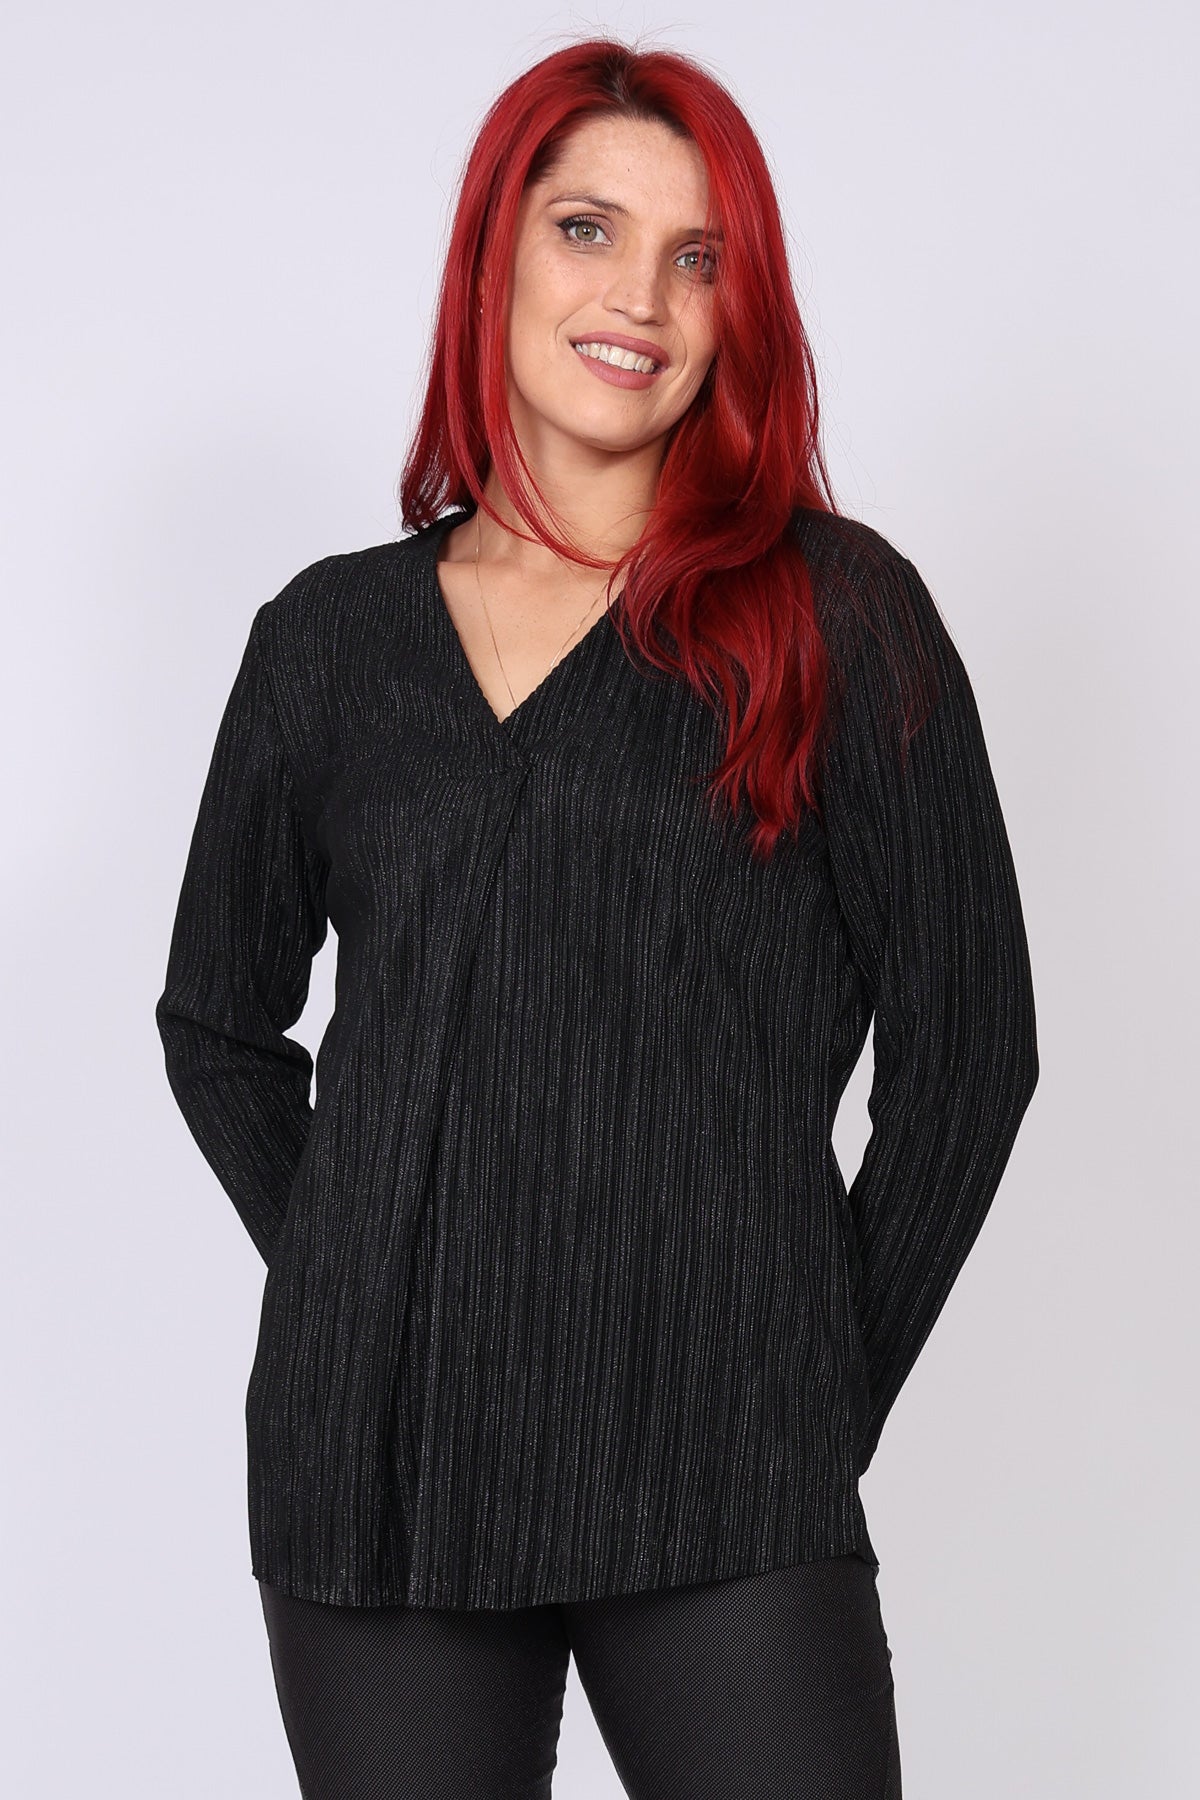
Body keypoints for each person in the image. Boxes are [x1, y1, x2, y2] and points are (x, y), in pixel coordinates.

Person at [154, 35, 1039, 1800]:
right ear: (495, 252)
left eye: (697, 257)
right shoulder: (327, 641)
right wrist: (358, 1277)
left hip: (726, 1469)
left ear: (736, 310)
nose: (638, 294)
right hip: (377, 1476)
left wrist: (806, 1381)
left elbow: (971, 1054)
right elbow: (218, 1027)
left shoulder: (836, 614)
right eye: (587, 228)